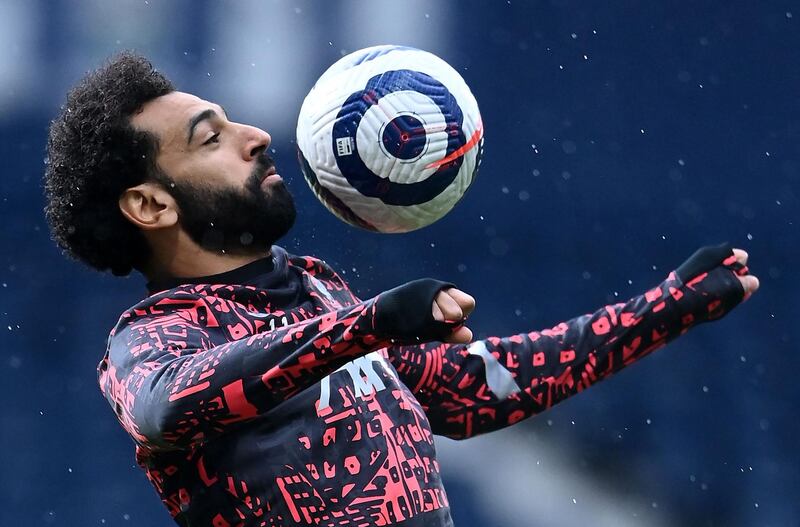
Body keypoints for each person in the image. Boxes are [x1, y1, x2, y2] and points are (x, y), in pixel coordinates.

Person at [44, 52, 759, 527]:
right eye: (211, 138)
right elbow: (170, 405)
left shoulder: (318, 292)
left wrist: (666, 308)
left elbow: (475, 389)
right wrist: (371, 324)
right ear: (150, 206)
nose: (258, 135)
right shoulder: (152, 337)